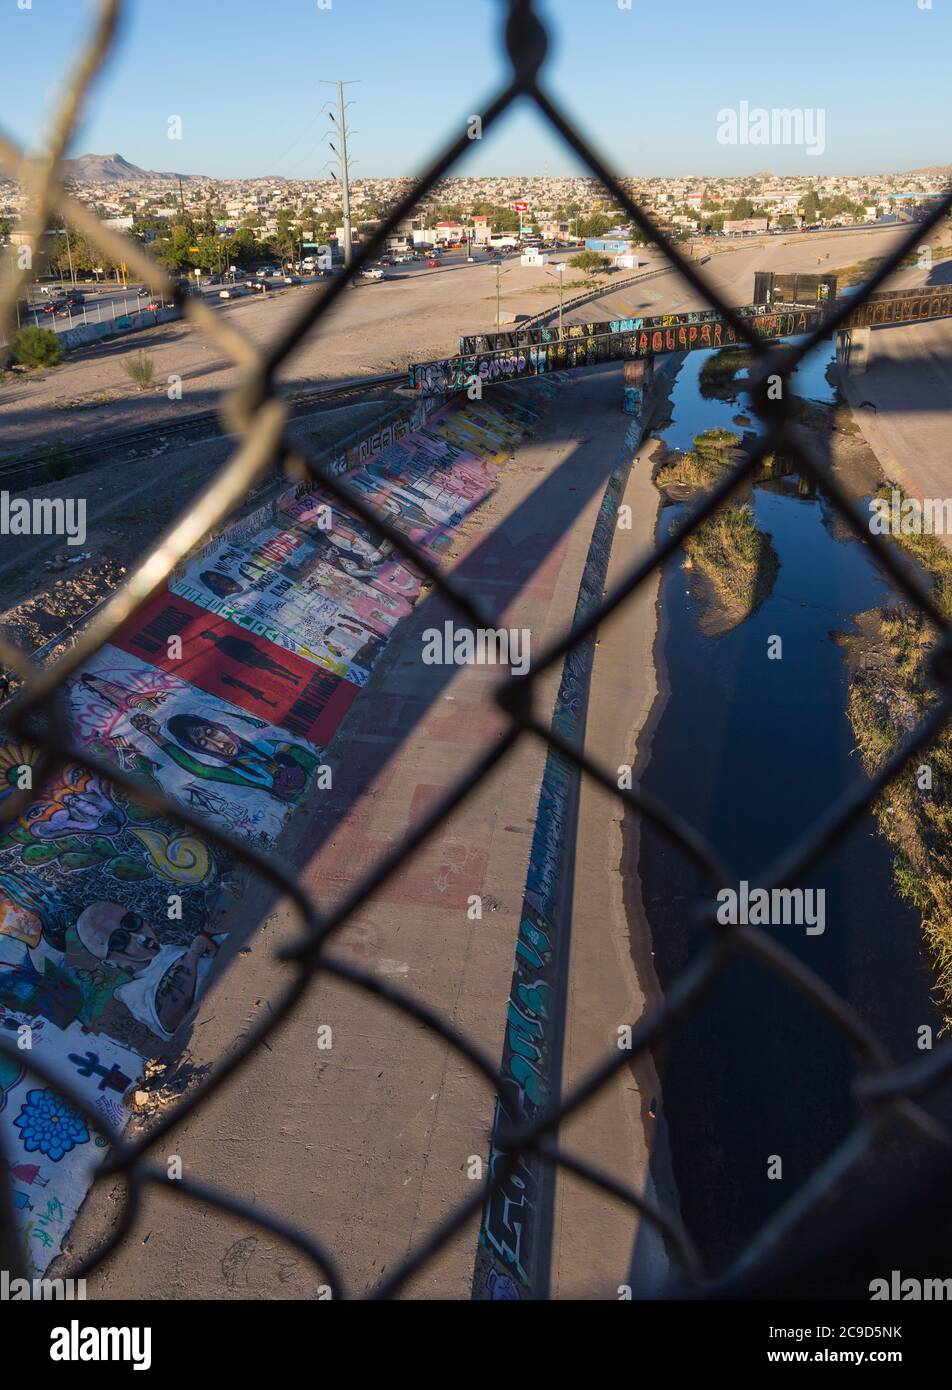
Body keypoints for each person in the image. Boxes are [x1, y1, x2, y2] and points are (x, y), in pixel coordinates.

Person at [75, 901, 221, 1041]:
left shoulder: (170, 947)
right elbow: (169, 1017)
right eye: (120, 940)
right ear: (109, 962)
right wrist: (193, 954)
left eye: (131, 922)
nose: (140, 937)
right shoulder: (131, 992)